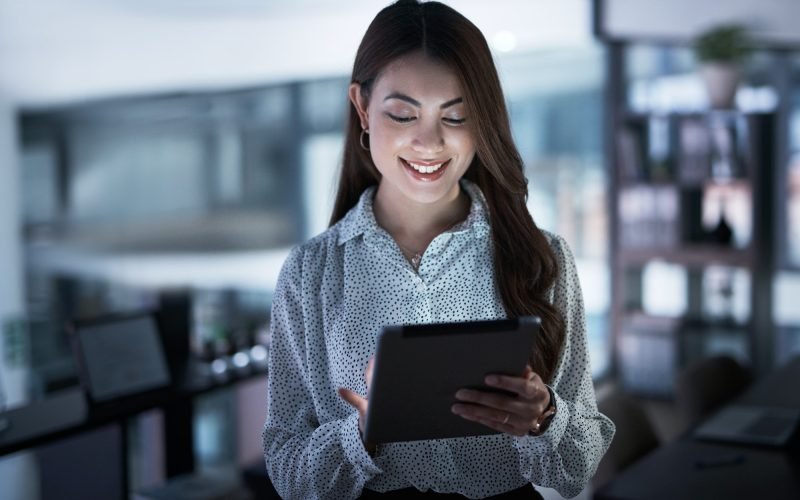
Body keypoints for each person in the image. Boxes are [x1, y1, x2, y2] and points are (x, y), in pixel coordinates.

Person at [262, 1, 615, 498]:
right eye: (403, 114)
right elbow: (288, 469)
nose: (429, 143)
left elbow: (576, 470)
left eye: (456, 116)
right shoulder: (310, 273)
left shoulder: (542, 259)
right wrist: (360, 436)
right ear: (363, 108)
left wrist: (545, 416)